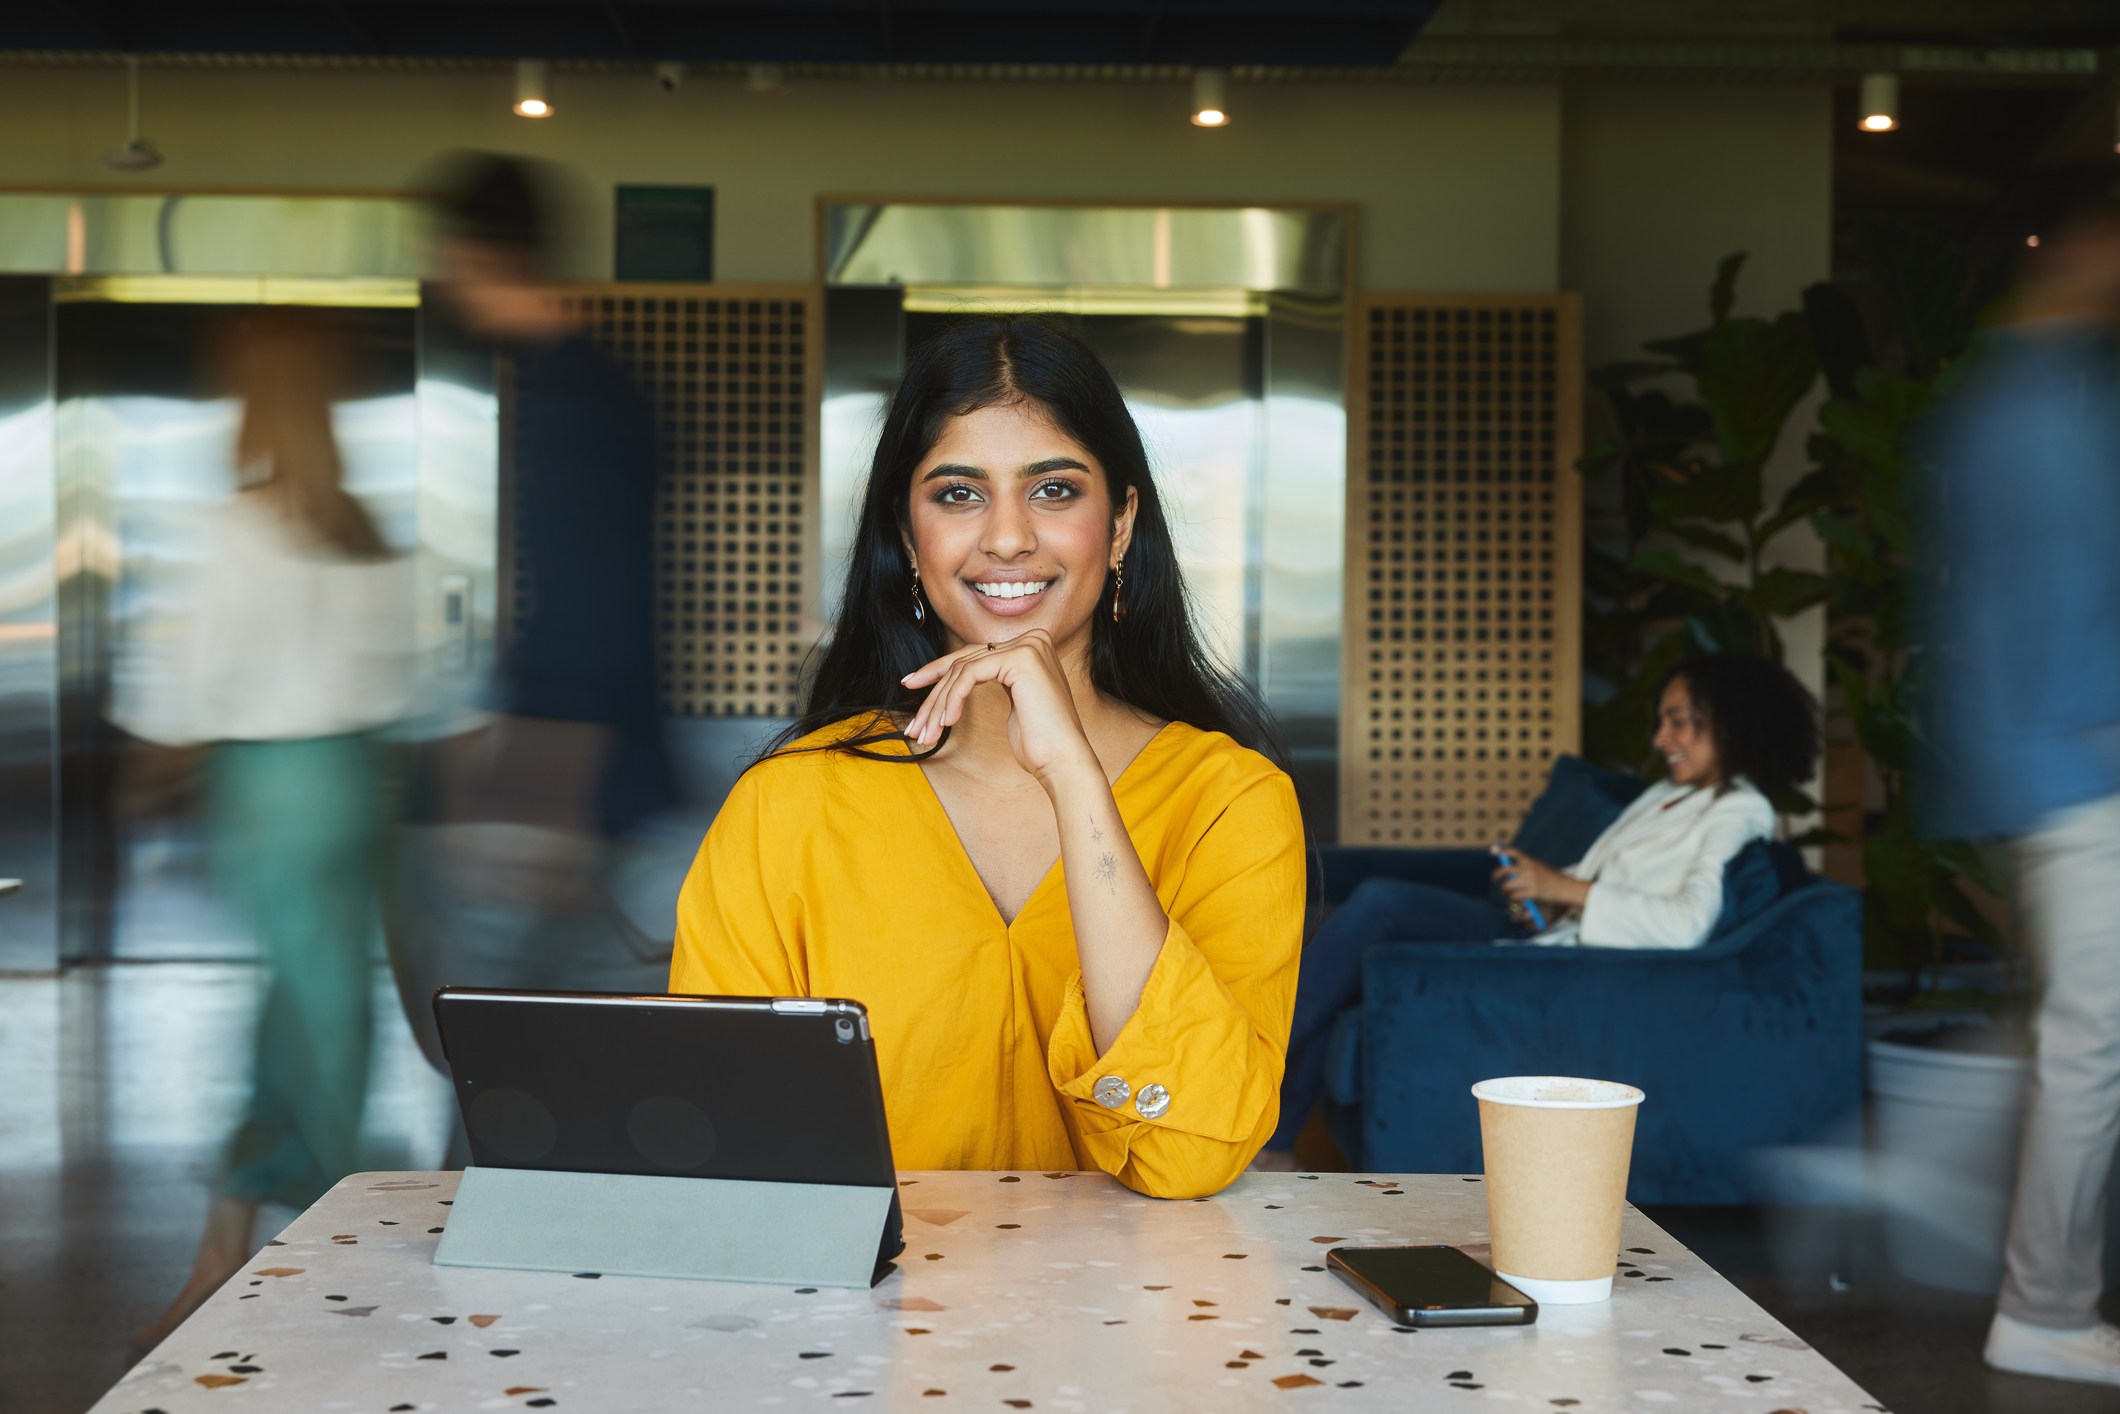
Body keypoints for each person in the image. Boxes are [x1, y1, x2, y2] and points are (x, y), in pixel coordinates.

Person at [668, 316, 1303, 1199]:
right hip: (866, 1321)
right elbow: (722, 1146)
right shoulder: (789, 806)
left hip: (1142, 1321)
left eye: (1052, 490)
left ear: (1120, 527)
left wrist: (1074, 778)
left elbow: (1188, 1152)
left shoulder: (1232, 801)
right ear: (907, 536)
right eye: (959, 493)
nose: (1006, 538)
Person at [128, 311, 412, 1348]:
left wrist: (149, 766)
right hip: (357, 783)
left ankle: (340, 1240)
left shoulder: (237, 526)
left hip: (272, 788)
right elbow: (404, 678)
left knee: (310, 1017)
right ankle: (224, 1256)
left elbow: (186, 682)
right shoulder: (366, 528)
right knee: (312, 1004)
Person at [1254, 652, 1817, 1171]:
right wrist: (1542, 898)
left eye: (1680, 721)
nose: (1662, 736)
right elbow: (1593, 889)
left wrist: (1565, 888)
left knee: (1383, 905)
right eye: (1663, 720)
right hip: (1545, 937)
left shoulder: (1739, 808)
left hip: (1568, 966)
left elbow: (1688, 924)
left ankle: (1255, 1039)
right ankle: (1274, 1144)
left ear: (1732, 723)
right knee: (1371, 928)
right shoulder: (1664, 795)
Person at [390, 152, 676, 1078]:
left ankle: (489, 1215)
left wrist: (533, 787)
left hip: (570, 786)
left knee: (504, 1067)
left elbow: (590, 610)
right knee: (551, 1062)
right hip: (598, 778)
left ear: (481, 252)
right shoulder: (590, 383)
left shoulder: (567, 398)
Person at [1925, 207, 2120, 1386]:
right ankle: (2043, 1306)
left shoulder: (1991, 400)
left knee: (2074, 1029)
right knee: (2088, 1042)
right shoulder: (2049, 408)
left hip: (2039, 763)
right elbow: (2066, 594)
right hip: (2079, 762)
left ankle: (1894, 1167)